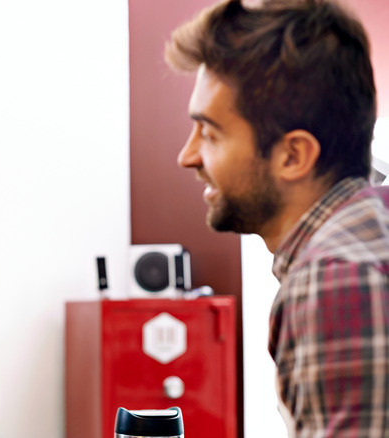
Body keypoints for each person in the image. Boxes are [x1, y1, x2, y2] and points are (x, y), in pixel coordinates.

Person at [165, 0, 389, 436]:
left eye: (210, 132)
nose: (186, 156)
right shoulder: (369, 231)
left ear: (293, 155)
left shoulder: (335, 277)